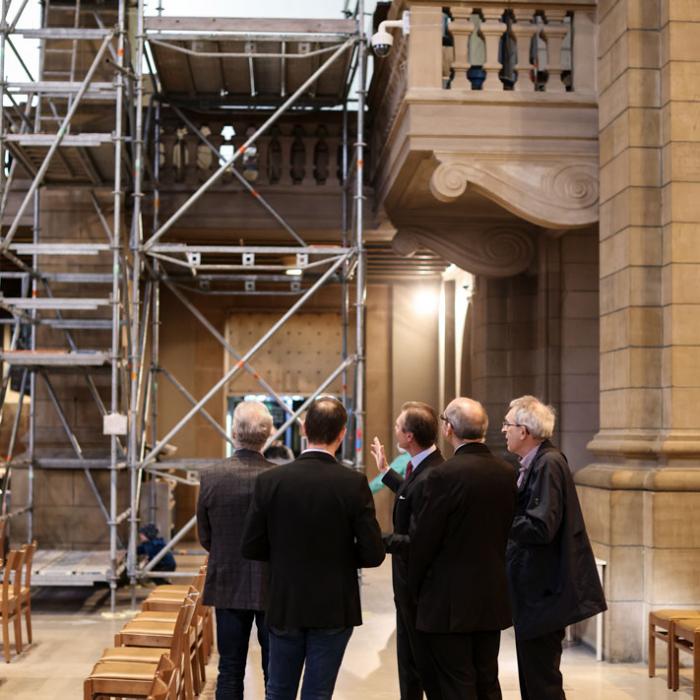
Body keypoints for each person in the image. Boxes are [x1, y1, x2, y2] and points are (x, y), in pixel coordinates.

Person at [241, 396, 385, 700]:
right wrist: (341, 557)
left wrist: (284, 555)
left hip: (285, 601)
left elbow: (251, 546)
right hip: (333, 605)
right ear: (343, 433)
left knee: (278, 690)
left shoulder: (271, 481)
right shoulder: (353, 483)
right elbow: (373, 553)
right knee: (318, 694)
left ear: (304, 428)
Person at [408, 397, 517, 700]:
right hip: (491, 594)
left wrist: (416, 589)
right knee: (487, 677)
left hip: (450, 600)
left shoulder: (444, 475)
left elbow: (424, 541)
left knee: (457, 682)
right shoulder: (506, 472)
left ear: (449, 429)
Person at [502, 395, 606, 700]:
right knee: (535, 679)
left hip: (544, 594)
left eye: (507, 424)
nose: (503, 430)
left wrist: (499, 518)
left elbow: (541, 527)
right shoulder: (538, 462)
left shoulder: (548, 463)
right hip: (536, 592)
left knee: (542, 683)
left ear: (524, 431)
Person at [197, 400, 275, 700]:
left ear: (234, 432)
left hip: (228, 581)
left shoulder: (212, 476)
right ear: (267, 435)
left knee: (229, 668)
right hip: (272, 583)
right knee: (275, 669)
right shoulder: (278, 479)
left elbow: (206, 537)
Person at [370, 402, 444, 700]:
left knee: (421, 662)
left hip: (419, 584)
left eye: (399, 427)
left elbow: (418, 537)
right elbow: (411, 495)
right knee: (408, 659)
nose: (395, 431)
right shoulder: (419, 467)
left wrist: (375, 540)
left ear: (410, 435)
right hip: (406, 583)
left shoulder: (433, 473)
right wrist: (386, 471)